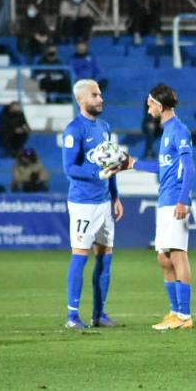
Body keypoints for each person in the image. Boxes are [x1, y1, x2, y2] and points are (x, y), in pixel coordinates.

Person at [123, 84, 195, 330]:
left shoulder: (179, 131)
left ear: (160, 106)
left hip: (175, 200)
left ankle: (184, 316)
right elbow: (164, 167)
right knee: (163, 258)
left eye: (150, 103)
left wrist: (183, 199)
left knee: (177, 255)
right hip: (165, 200)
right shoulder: (166, 132)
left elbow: (189, 168)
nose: (147, 107)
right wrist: (134, 164)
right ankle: (175, 312)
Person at [61, 79, 123, 329]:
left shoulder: (104, 127)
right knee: (80, 255)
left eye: (100, 94)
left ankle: (99, 314)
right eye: (95, 95)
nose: (100, 98)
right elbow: (69, 168)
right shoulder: (74, 130)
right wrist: (97, 176)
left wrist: (115, 196)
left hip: (104, 202)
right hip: (83, 203)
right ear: (81, 100)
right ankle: (72, 316)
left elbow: (111, 166)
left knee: (105, 256)